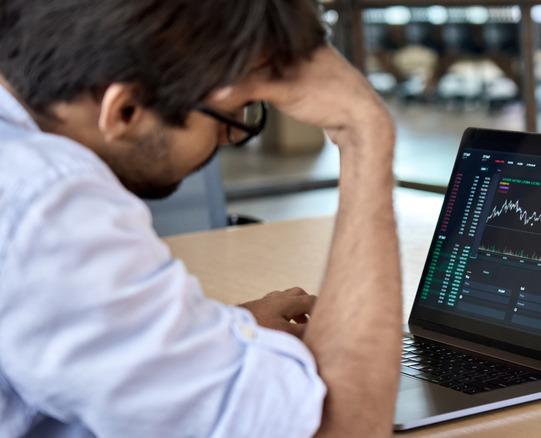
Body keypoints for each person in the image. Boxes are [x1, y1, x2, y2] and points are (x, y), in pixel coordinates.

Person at [0, 1, 401, 437]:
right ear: (125, 111)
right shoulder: (49, 206)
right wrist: (363, 131)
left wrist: (204, 338)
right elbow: (342, 428)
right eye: (231, 114)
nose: (231, 137)